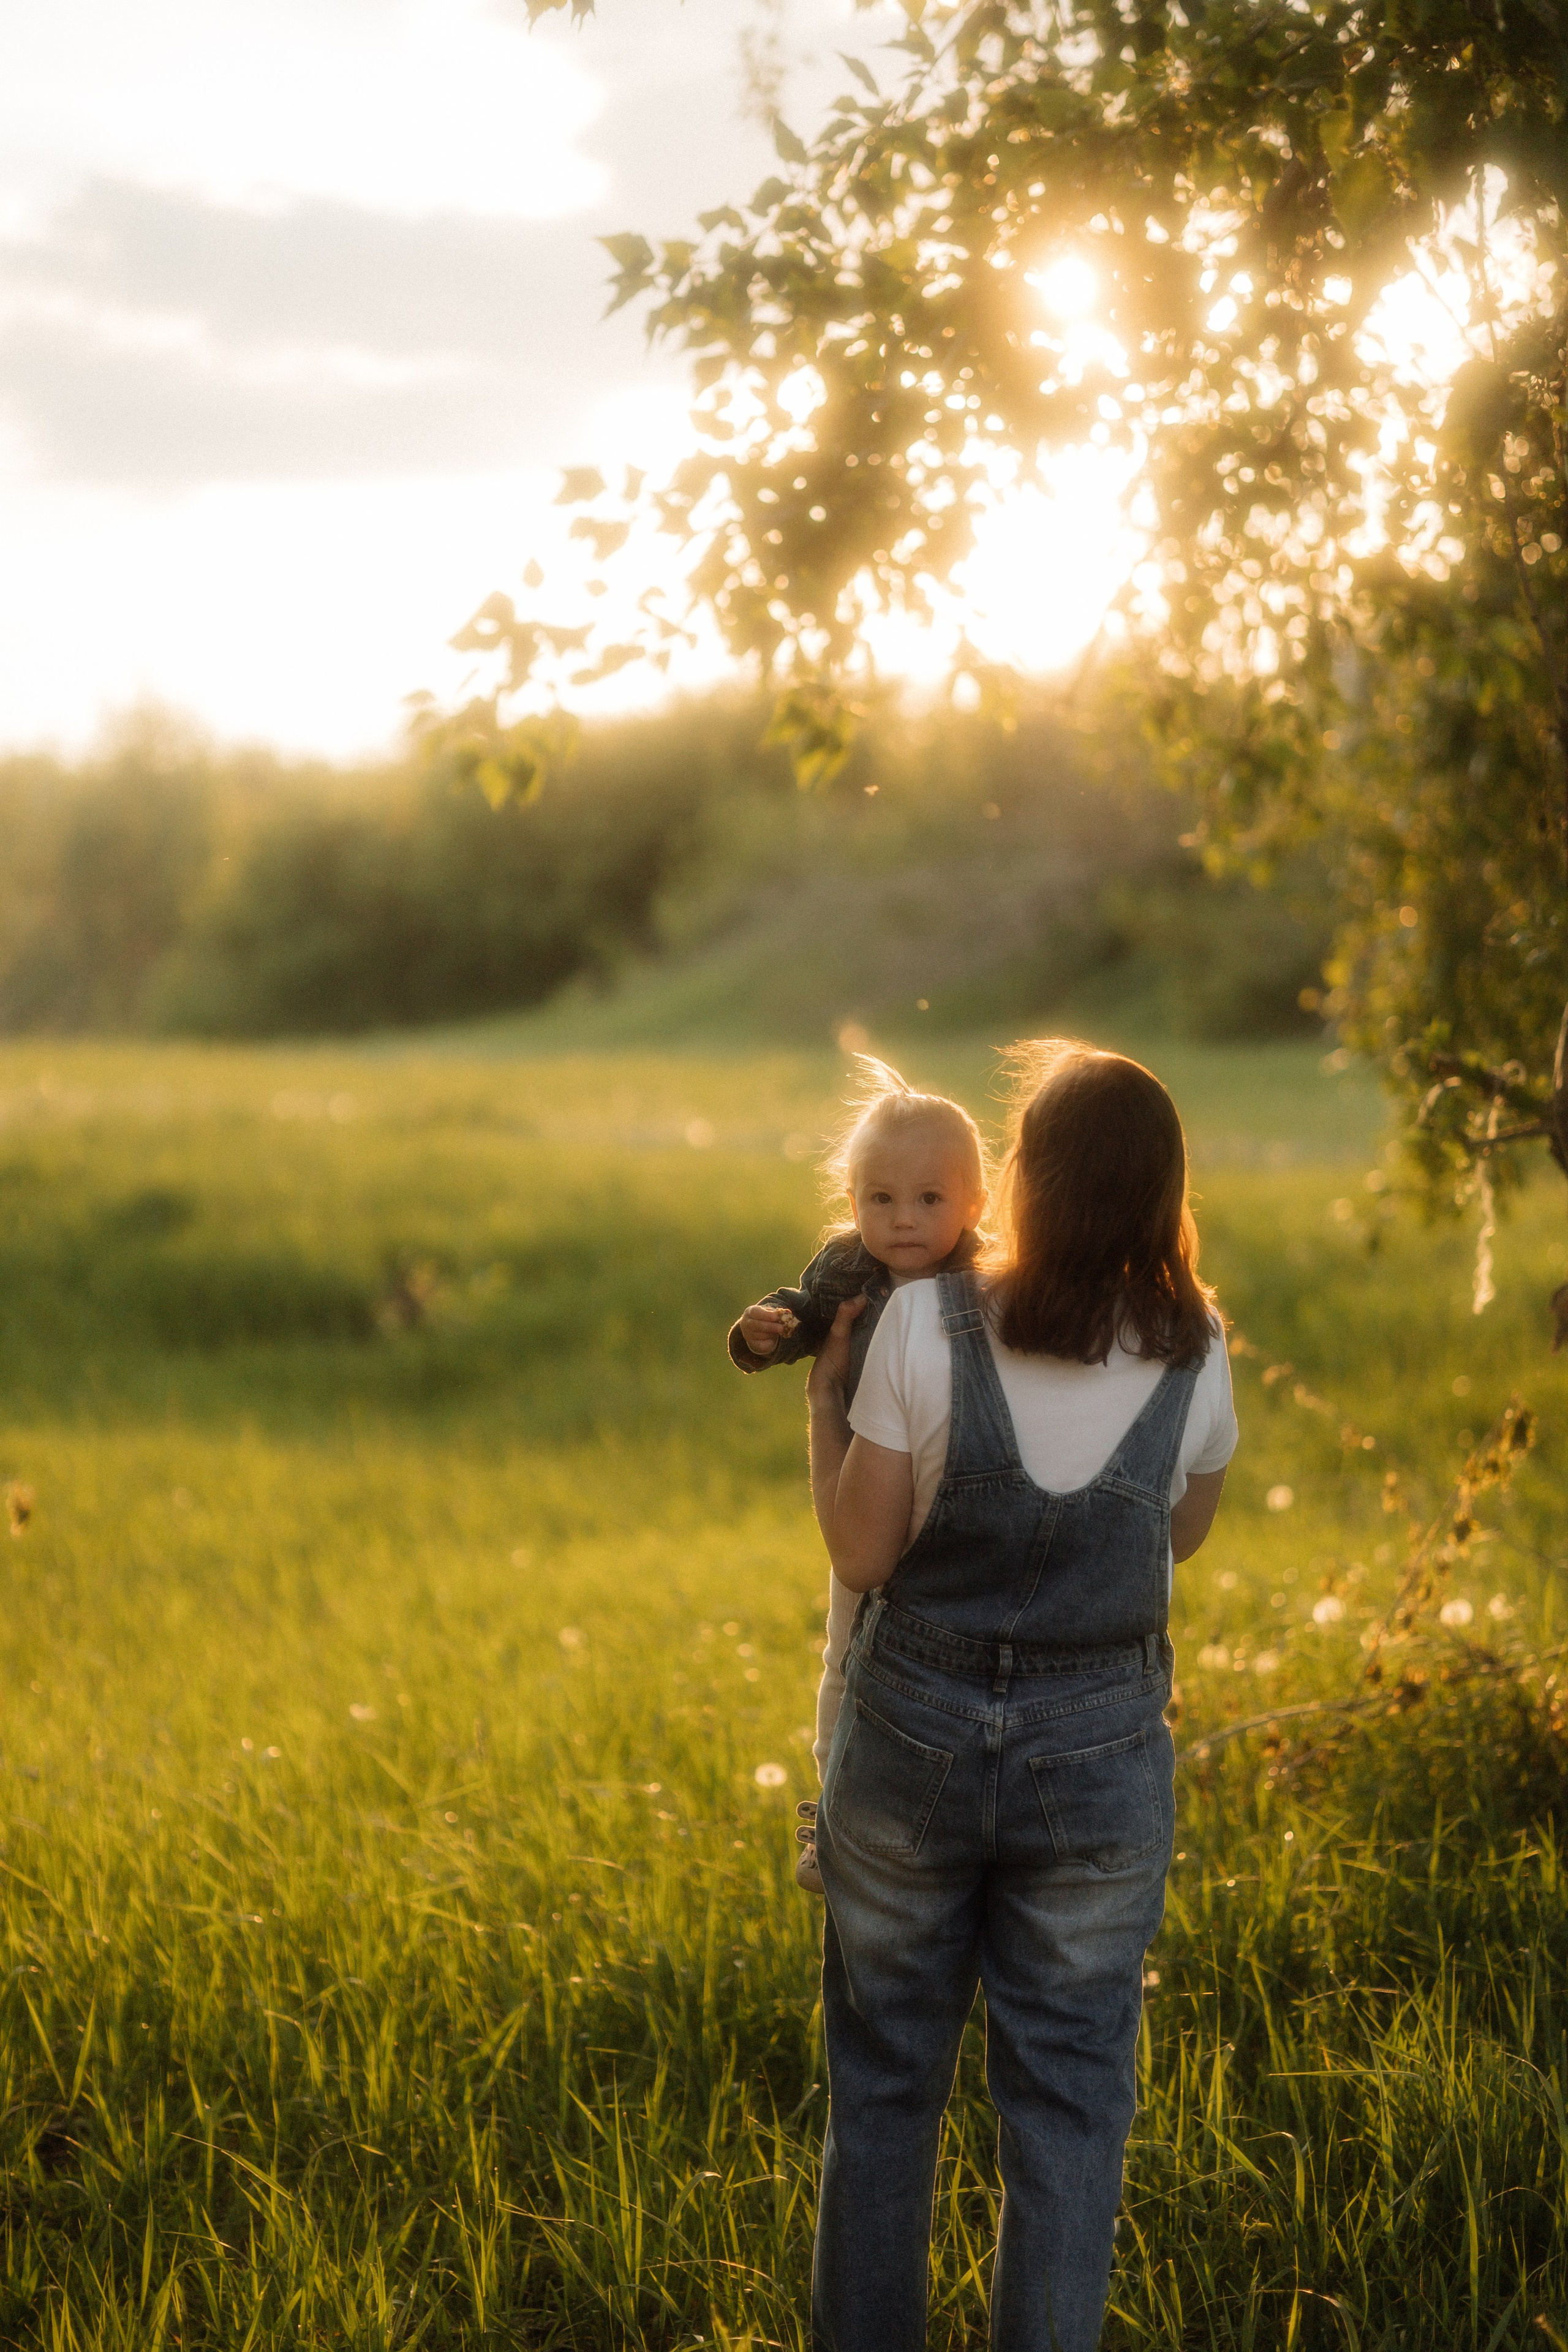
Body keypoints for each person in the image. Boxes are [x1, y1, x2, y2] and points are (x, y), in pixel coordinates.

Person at [804, 1038, 1238, 2352]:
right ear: (1164, 1191)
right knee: (1064, 2102)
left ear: (1022, 1183)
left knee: (885, 2088)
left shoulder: (925, 1330)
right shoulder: (1195, 1347)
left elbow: (860, 1554)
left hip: (909, 1740)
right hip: (1098, 1752)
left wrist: (825, 1395)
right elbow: (1172, 1536)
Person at [728, 1058, 989, 1890]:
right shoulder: (846, 1273)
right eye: (881, 1199)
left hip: (958, 1508)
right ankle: (835, 1812)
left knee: (943, 1676)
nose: (903, 1219)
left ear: (974, 1205)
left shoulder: (985, 1280)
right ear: (852, 1203)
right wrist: (761, 1334)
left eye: (929, 1200)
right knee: (847, 1658)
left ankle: (947, 1817)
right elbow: (797, 1320)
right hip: (864, 1503)